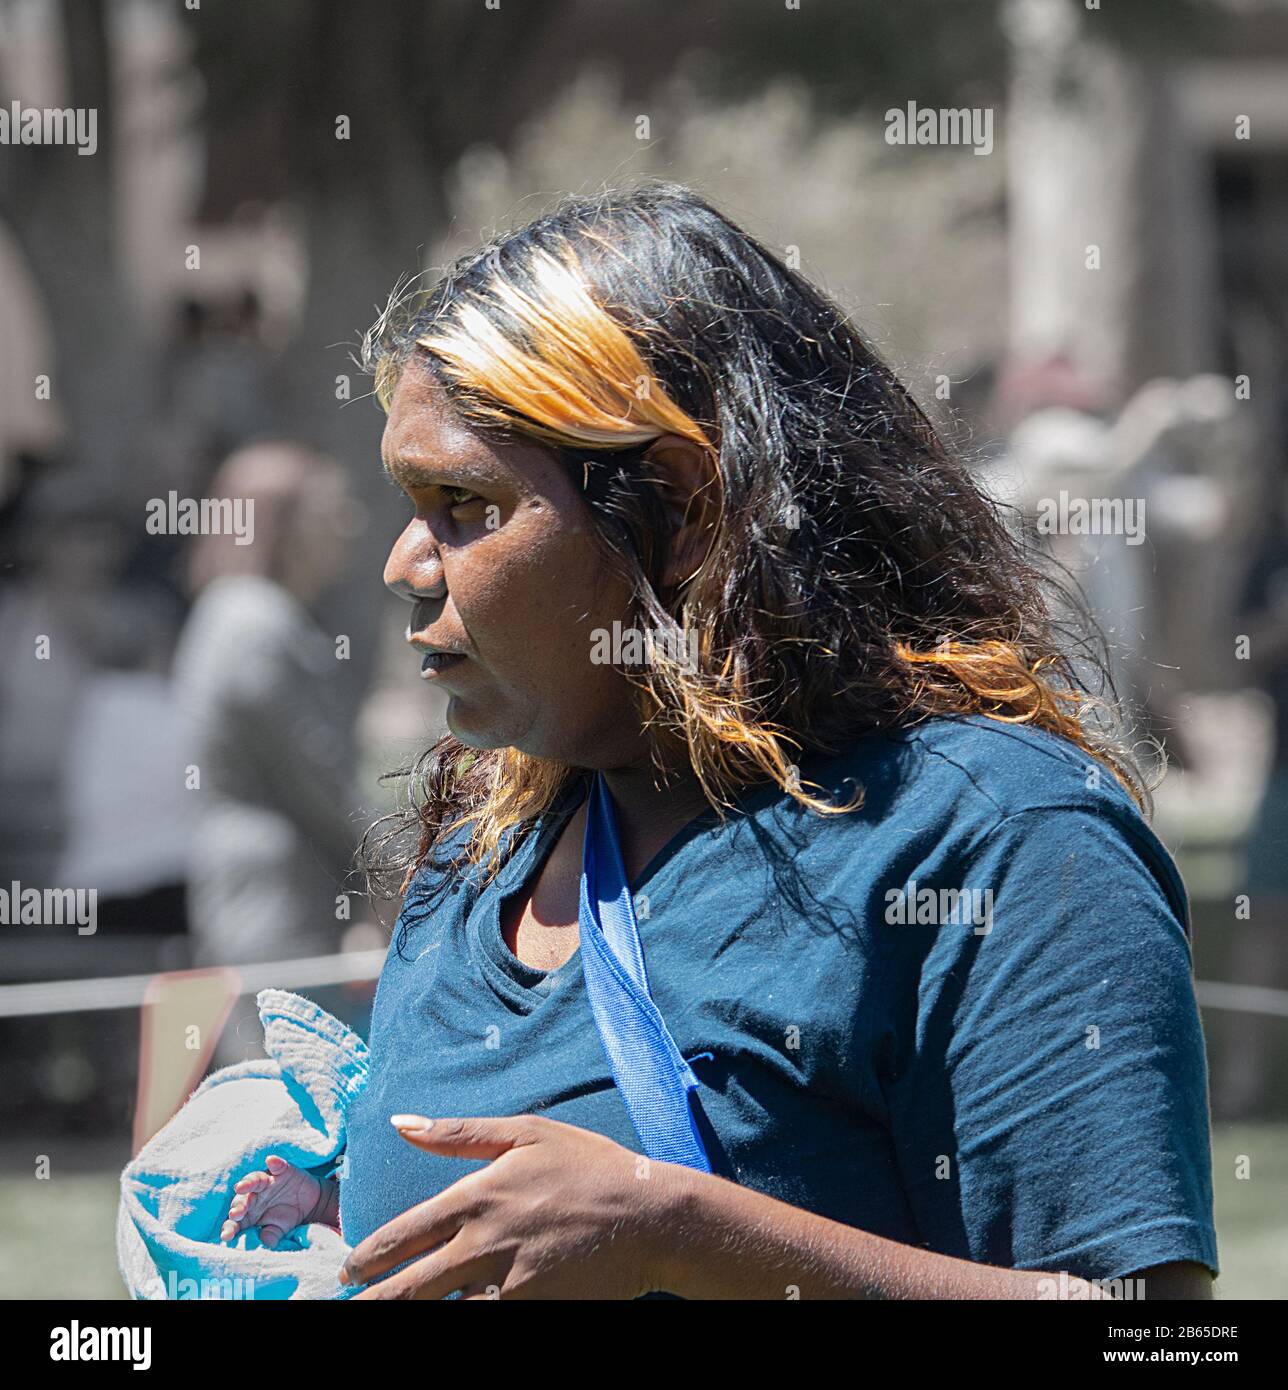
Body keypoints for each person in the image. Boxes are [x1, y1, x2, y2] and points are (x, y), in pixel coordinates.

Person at [222, 183, 1218, 1299]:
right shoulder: (478, 850)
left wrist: (683, 1229)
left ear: (684, 508)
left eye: (464, 502)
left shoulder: (996, 842)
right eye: (410, 502)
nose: (408, 563)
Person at [174, 442, 364, 1066]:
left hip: (253, 877)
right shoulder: (257, 621)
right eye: (331, 511)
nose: (350, 526)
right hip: (276, 888)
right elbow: (318, 777)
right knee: (286, 1071)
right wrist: (404, 865)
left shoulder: (233, 611)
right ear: (281, 520)